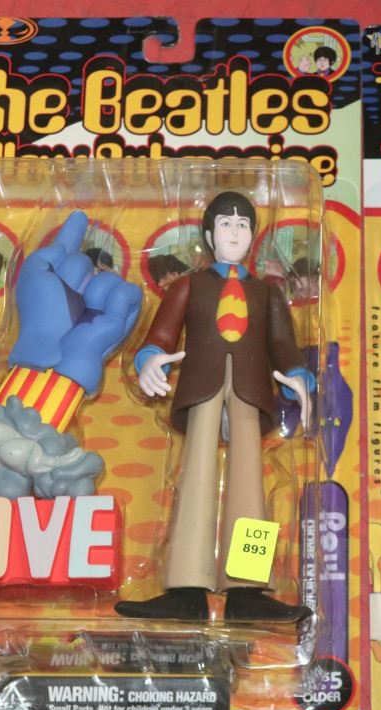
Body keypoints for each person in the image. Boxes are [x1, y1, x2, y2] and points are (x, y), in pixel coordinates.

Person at [115, 192, 314, 622]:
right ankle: (186, 589)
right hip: (200, 384)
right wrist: (149, 359)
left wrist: (300, 375)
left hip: (251, 388)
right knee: (196, 478)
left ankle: (248, 588)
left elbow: (283, 343)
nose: (234, 233)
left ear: (253, 236)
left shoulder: (267, 293)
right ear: (209, 235)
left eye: (242, 225)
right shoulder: (189, 286)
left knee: (250, 483)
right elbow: (162, 332)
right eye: (226, 224)